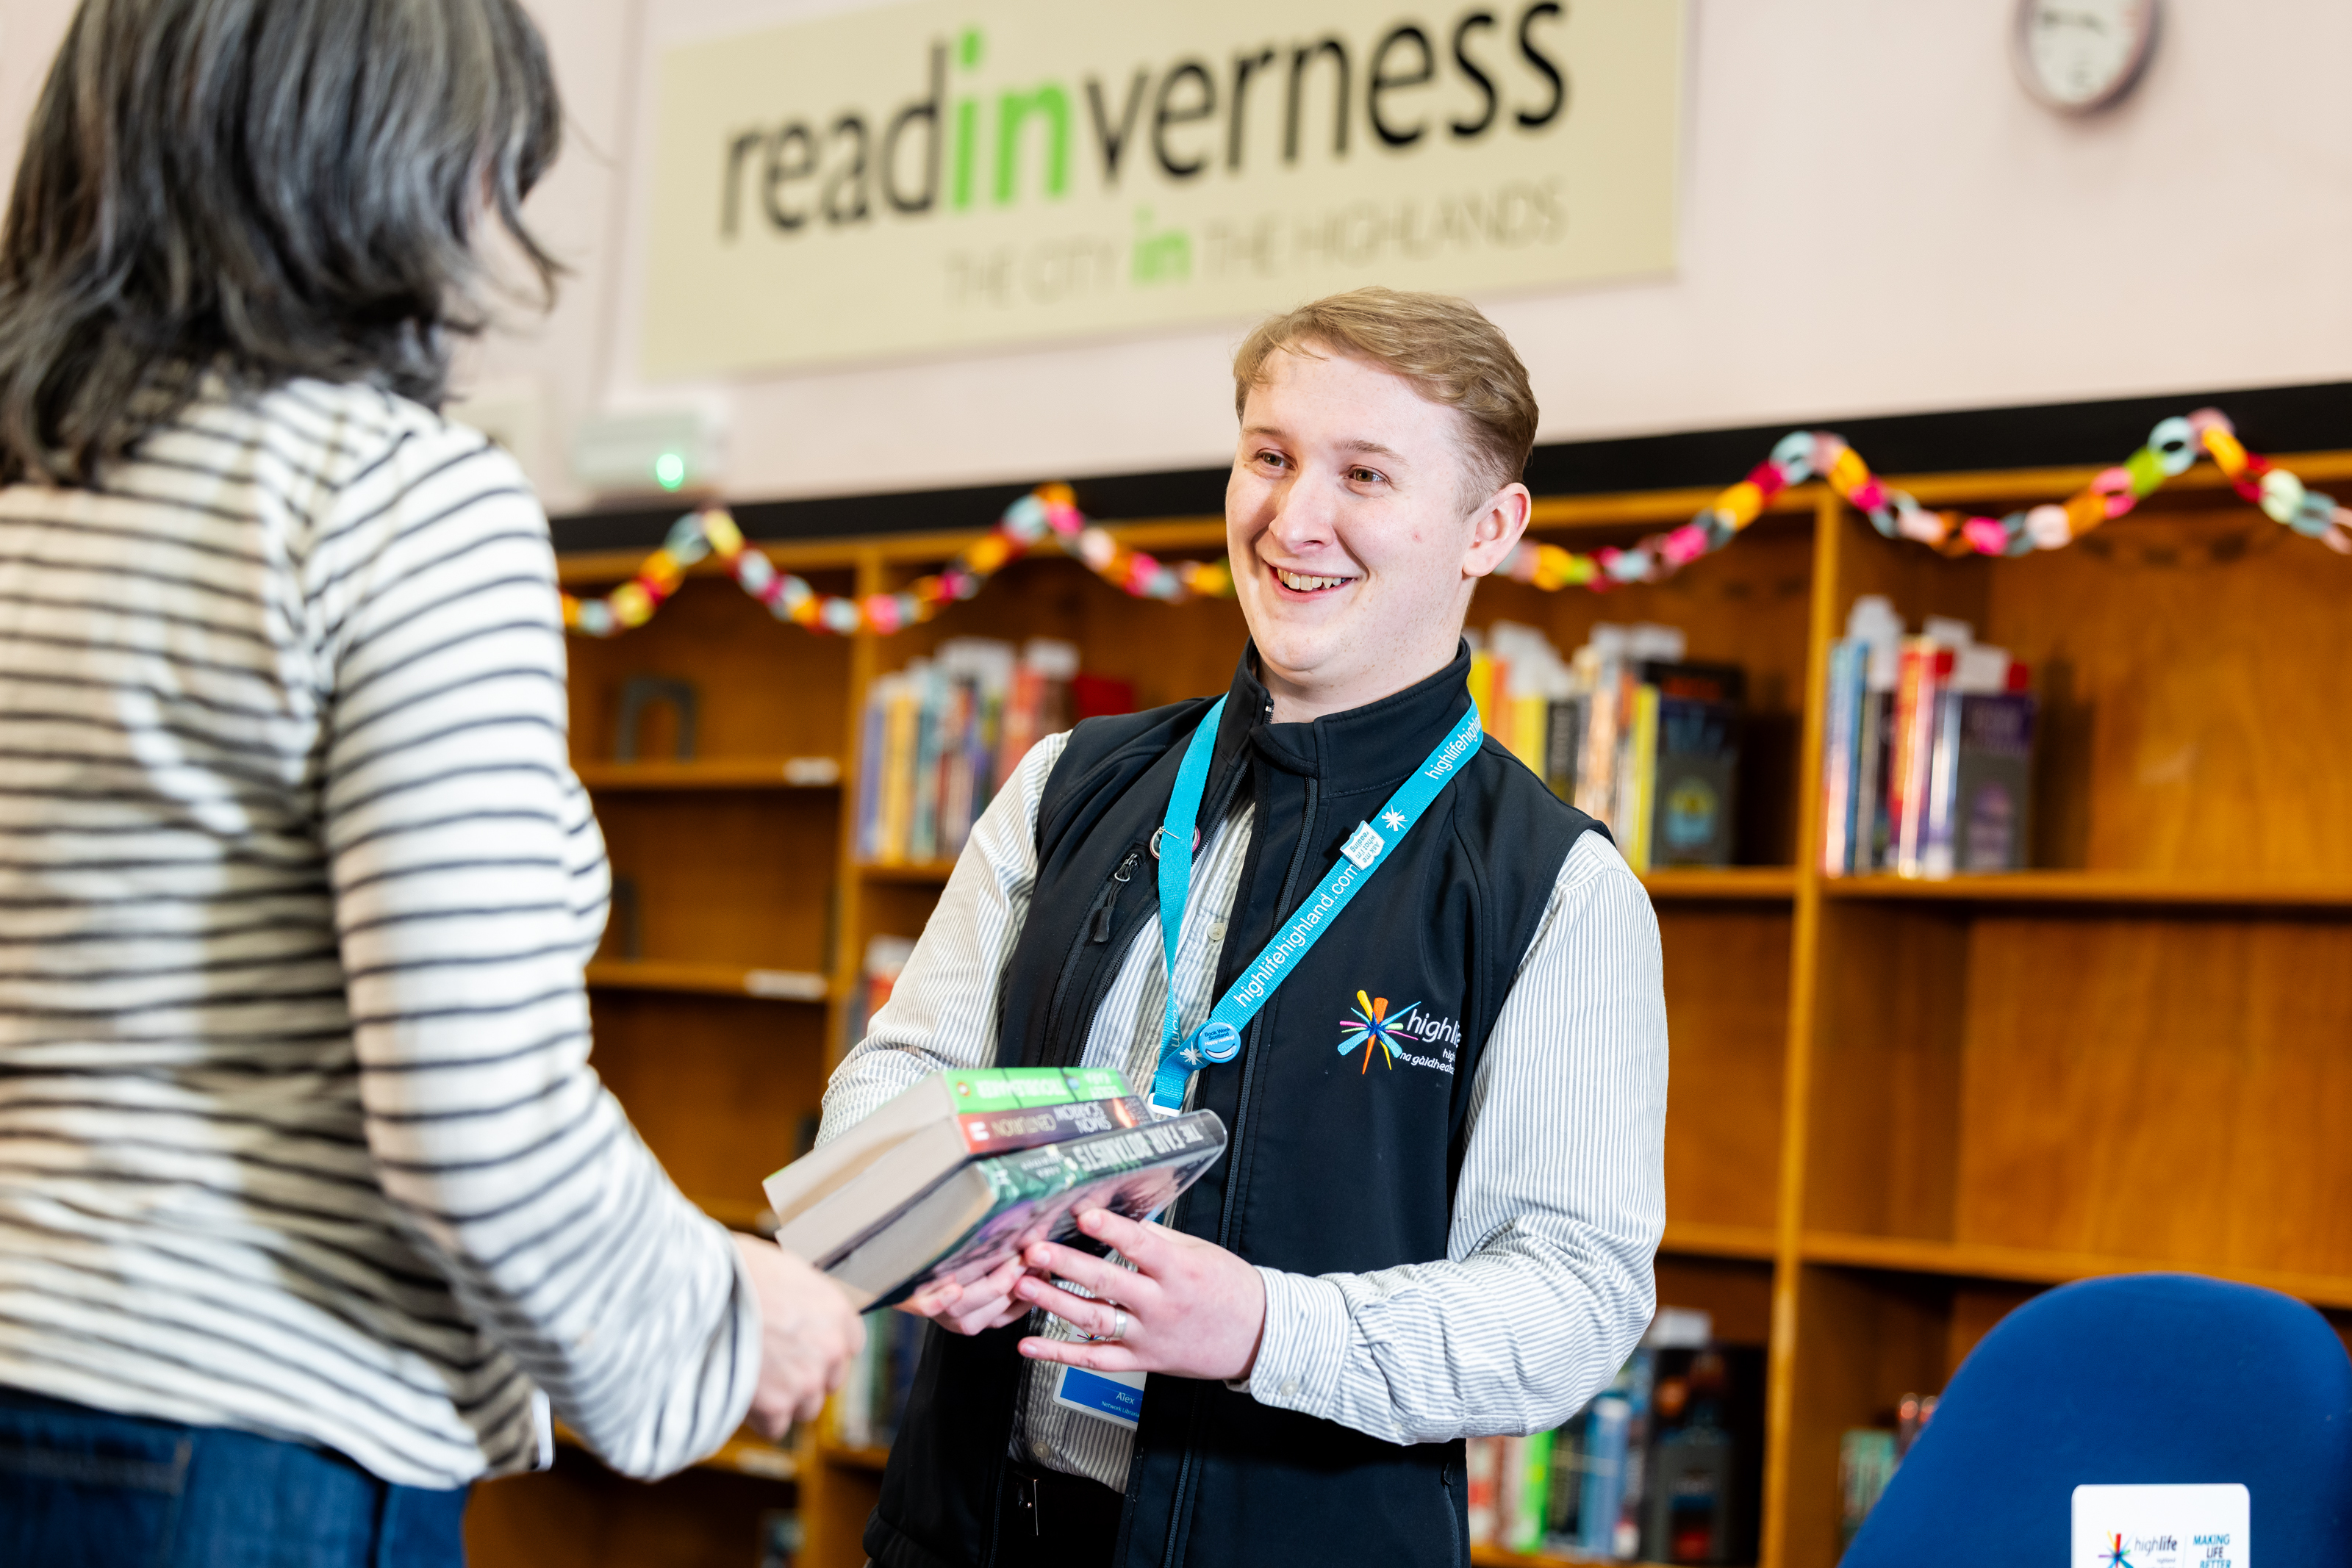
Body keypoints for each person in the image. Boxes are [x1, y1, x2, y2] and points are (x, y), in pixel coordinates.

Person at [0, 2, 861, 1562]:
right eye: (483, 159)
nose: (491, 217)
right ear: (367, 166)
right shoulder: (386, 498)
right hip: (242, 1434)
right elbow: (473, 1113)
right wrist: (730, 1317)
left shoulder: (33, 484)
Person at [821, 287, 1668, 1568]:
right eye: (1269, 456)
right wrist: (932, 1218)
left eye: (1365, 474)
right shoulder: (1068, 782)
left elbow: (1572, 1297)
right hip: (969, 1530)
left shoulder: (1556, 887)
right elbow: (897, 1072)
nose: (1294, 518)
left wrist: (1271, 1329)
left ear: (1486, 528)